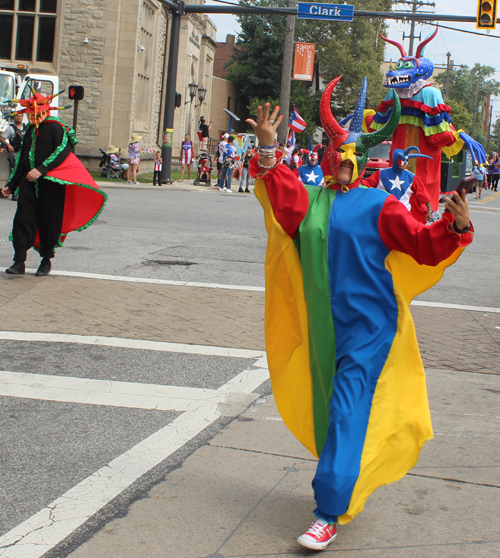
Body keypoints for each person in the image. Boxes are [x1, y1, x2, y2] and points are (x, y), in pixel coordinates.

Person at [246, 76, 473, 552]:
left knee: (348, 411)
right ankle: (345, 479)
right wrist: (268, 148)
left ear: (362, 159)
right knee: (330, 410)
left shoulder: (381, 206)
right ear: (329, 156)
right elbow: (278, 191)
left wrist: (456, 225)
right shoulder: (310, 203)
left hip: (369, 332)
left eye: (351, 152)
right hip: (322, 331)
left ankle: (327, 511)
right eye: (336, 150)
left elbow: (422, 246)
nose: (343, 159)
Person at [1, 91, 107, 277]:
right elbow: (22, 160)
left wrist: (42, 169)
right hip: (28, 185)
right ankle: (19, 261)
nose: (32, 116)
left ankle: (46, 260)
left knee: (50, 220)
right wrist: (11, 185)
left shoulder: (56, 128)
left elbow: (63, 151)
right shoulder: (30, 131)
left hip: (51, 184)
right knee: (22, 220)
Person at [363, 146, 433, 223]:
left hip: (404, 215)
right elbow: (364, 186)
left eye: (406, 160)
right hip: (383, 214)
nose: (405, 163)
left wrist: (429, 210)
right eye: (403, 160)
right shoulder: (380, 174)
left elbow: (423, 194)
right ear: (396, 160)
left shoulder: (411, 177)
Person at [0, 113, 26, 201]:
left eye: (20, 115)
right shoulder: (11, 128)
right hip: (15, 154)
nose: (19, 117)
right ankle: (15, 192)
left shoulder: (27, 127)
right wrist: (7, 145)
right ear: (14, 117)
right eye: (17, 116)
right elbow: (2, 138)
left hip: (25, 153)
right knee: (16, 172)